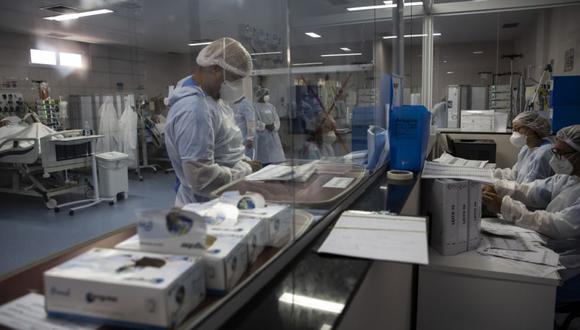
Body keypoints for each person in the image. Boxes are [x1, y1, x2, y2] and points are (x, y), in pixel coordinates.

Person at [482, 125, 580, 305]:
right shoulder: (569, 177)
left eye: (561, 154)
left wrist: (505, 206)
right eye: (554, 152)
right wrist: (497, 187)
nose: (555, 159)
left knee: (510, 287)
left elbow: (558, 225)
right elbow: (533, 191)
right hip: (551, 243)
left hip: (569, 259)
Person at [165, 37, 259, 206]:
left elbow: (224, 147)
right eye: (233, 79)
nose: (236, 86)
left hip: (222, 198)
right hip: (205, 206)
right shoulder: (195, 110)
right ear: (215, 70)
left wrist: (242, 161)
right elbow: (202, 178)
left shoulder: (212, 98)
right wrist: (245, 170)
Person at [493, 111, 554, 183]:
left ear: (532, 128)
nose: (515, 133)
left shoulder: (544, 153)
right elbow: (515, 174)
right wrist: (493, 173)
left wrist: (499, 185)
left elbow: (530, 187)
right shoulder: (526, 149)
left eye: (518, 129)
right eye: (514, 130)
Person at [254, 87, 285, 165]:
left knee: (275, 159)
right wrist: (265, 126)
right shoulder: (254, 107)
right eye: (266, 94)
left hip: (273, 135)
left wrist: (274, 126)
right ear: (261, 95)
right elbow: (254, 122)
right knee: (263, 159)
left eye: (268, 94)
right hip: (262, 137)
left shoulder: (271, 106)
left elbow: (277, 119)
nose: (267, 96)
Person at [231, 94, 257, 159]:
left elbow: (251, 122)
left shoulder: (245, 104)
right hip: (236, 140)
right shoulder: (231, 104)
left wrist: (250, 138)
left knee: (248, 161)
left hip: (246, 140)